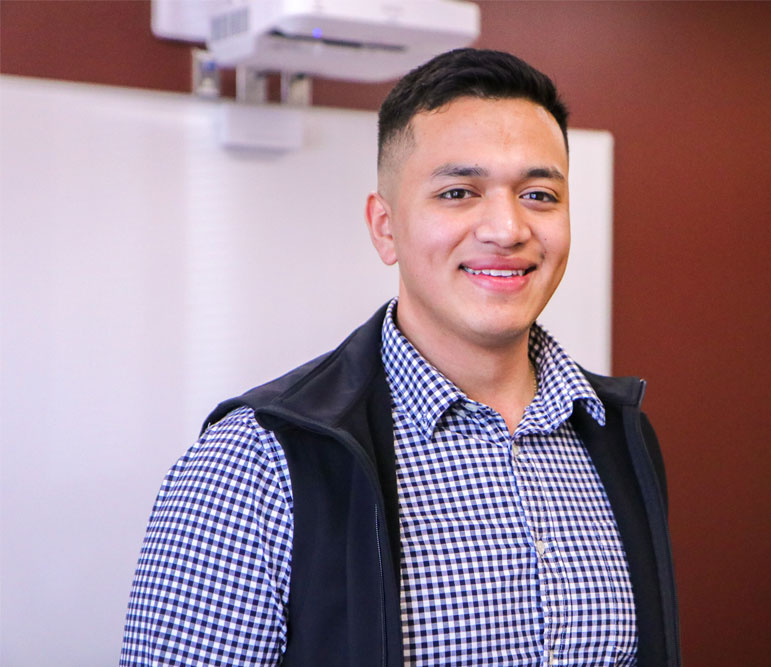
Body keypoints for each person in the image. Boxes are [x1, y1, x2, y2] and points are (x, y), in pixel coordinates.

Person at [120, 48, 680, 667]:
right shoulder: (256, 461)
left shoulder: (615, 432)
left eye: (540, 195)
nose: (507, 228)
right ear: (385, 228)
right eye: (460, 191)